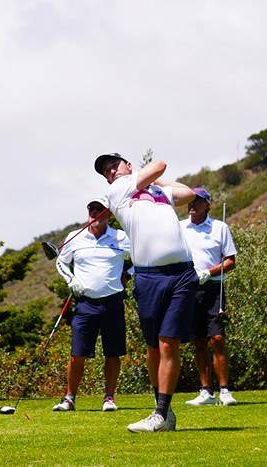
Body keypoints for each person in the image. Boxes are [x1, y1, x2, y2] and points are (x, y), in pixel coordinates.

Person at [94, 152, 197, 432]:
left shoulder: (159, 191)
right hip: (149, 277)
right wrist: (141, 175)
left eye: (114, 165)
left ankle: (161, 414)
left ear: (129, 166)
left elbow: (188, 192)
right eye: (106, 171)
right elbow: (161, 163)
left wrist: (155, 182)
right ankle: (162, 409)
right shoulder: (118, 190)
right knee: (154, 348)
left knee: (168, 342)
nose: (110, 172)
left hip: (182, 274)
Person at [52, 195, 132, 413]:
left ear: (108, 214)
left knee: (113, 353)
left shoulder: (120, 237)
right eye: (91, 210)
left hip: (113, 302)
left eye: (99, 210)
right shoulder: (75, 238)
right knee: (77, 354)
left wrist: (129, 274)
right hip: (85, 304)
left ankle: (109, 398)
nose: (95, 214)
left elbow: (142, 257)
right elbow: (61, 261)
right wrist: (71, 279)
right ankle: (69, 398)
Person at [180, 187, 238, 406]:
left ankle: (225, 390)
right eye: (190, 202)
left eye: (197, 202)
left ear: (207, 205)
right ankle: (206, 392)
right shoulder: (180, 227)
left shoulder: (219, 227)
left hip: (214, 287)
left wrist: (209, 272)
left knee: (217, 339)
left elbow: (230, 261)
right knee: (198, 341)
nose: (192, 205)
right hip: (190, 288)